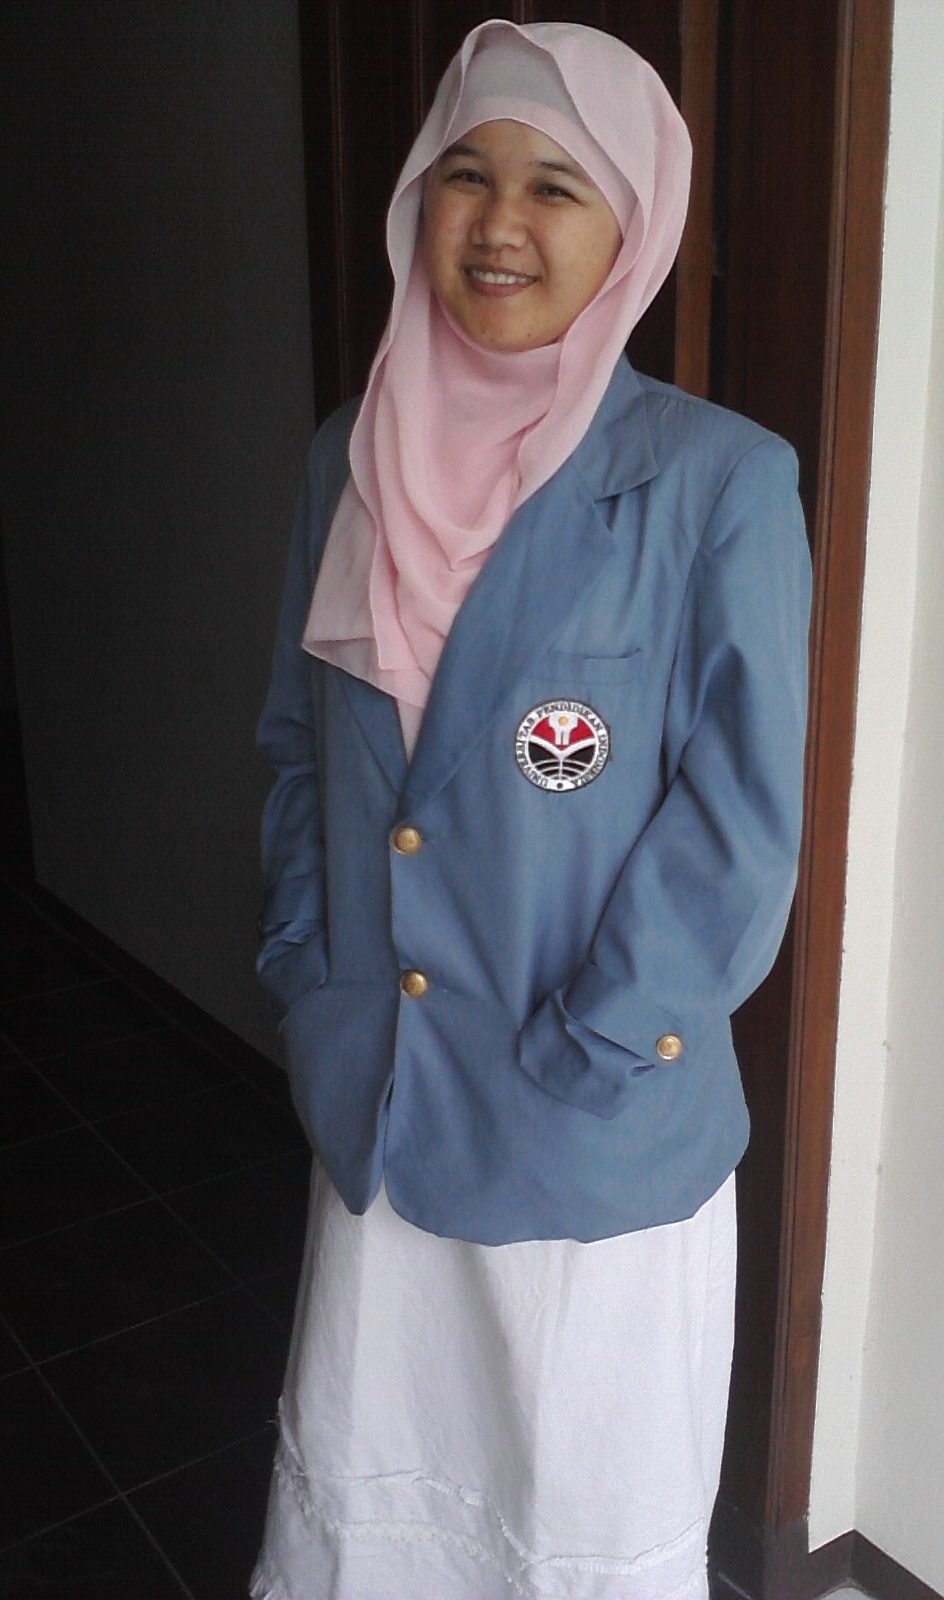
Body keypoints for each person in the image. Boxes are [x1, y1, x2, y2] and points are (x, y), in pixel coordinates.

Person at [250, 19, 811, 1600]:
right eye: (466, 176)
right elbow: (298, 751)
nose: (499, 224)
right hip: (388, 1104)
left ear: (630, 229)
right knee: (381, 1514)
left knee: (567, 1531)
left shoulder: (716, 483)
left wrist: (599, 1042)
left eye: (557, 187)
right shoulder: (348, 462)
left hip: (590, 1125)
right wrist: (310, 971)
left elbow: (739, 821)